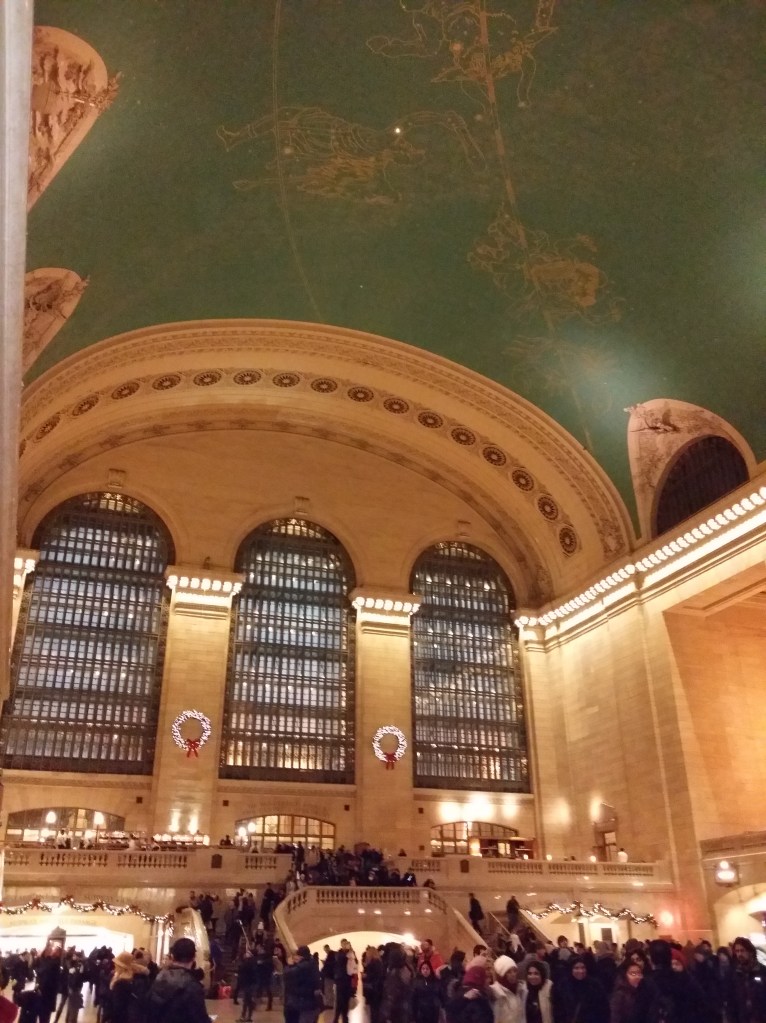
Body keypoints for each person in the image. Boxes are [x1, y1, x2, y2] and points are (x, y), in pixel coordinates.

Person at [145, 937, 211, 1023]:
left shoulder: (159, 978)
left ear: (172, 956)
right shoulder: (192, 986)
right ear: (194, 957)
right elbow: (199, 1018)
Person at [551, 955, 608, 1023]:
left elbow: (603, 1008)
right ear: (571, 969)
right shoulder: (563, 985)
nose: (580, 971)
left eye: (583, 967)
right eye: (576, 968)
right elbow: (558, 1009)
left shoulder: (594, 985)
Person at [729, 936, 766, 1023]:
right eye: (737, 951)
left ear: (750, 952)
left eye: (742, 950)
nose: (739, 954)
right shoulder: (734, 973)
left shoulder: (762, 971)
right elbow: (731, 999)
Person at [106, 951, 150, 1023]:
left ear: (121, 966)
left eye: (117, 964)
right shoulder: (138, 977)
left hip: (122, 1018)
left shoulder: (121, 982)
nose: (115, 965)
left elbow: (118, 1007)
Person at [284, 945, 323, 1023]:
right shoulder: (312, 963)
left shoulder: (303, 966)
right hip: (312, 1003)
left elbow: (288, 975)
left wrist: (290, 965)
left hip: (303, 1003)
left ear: (300, 956)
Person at [489, 955, 523, 1023]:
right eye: (508, 972)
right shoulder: (494, 992)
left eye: (514, 971)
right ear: (501, 975)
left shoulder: (520, 989)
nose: (513, 974)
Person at [332, 939, 358, 1023]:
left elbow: (355, 963)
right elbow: (340, 960)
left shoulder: (351, 953)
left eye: (346, 944)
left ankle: (345, 1018)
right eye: (343, 944)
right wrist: (347, 953)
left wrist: (351, 953)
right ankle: (336, 1019)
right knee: (340, 1001)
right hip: (340, 980)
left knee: (346, 1001)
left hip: (347, 980)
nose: (344, 945)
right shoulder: (339, 953)